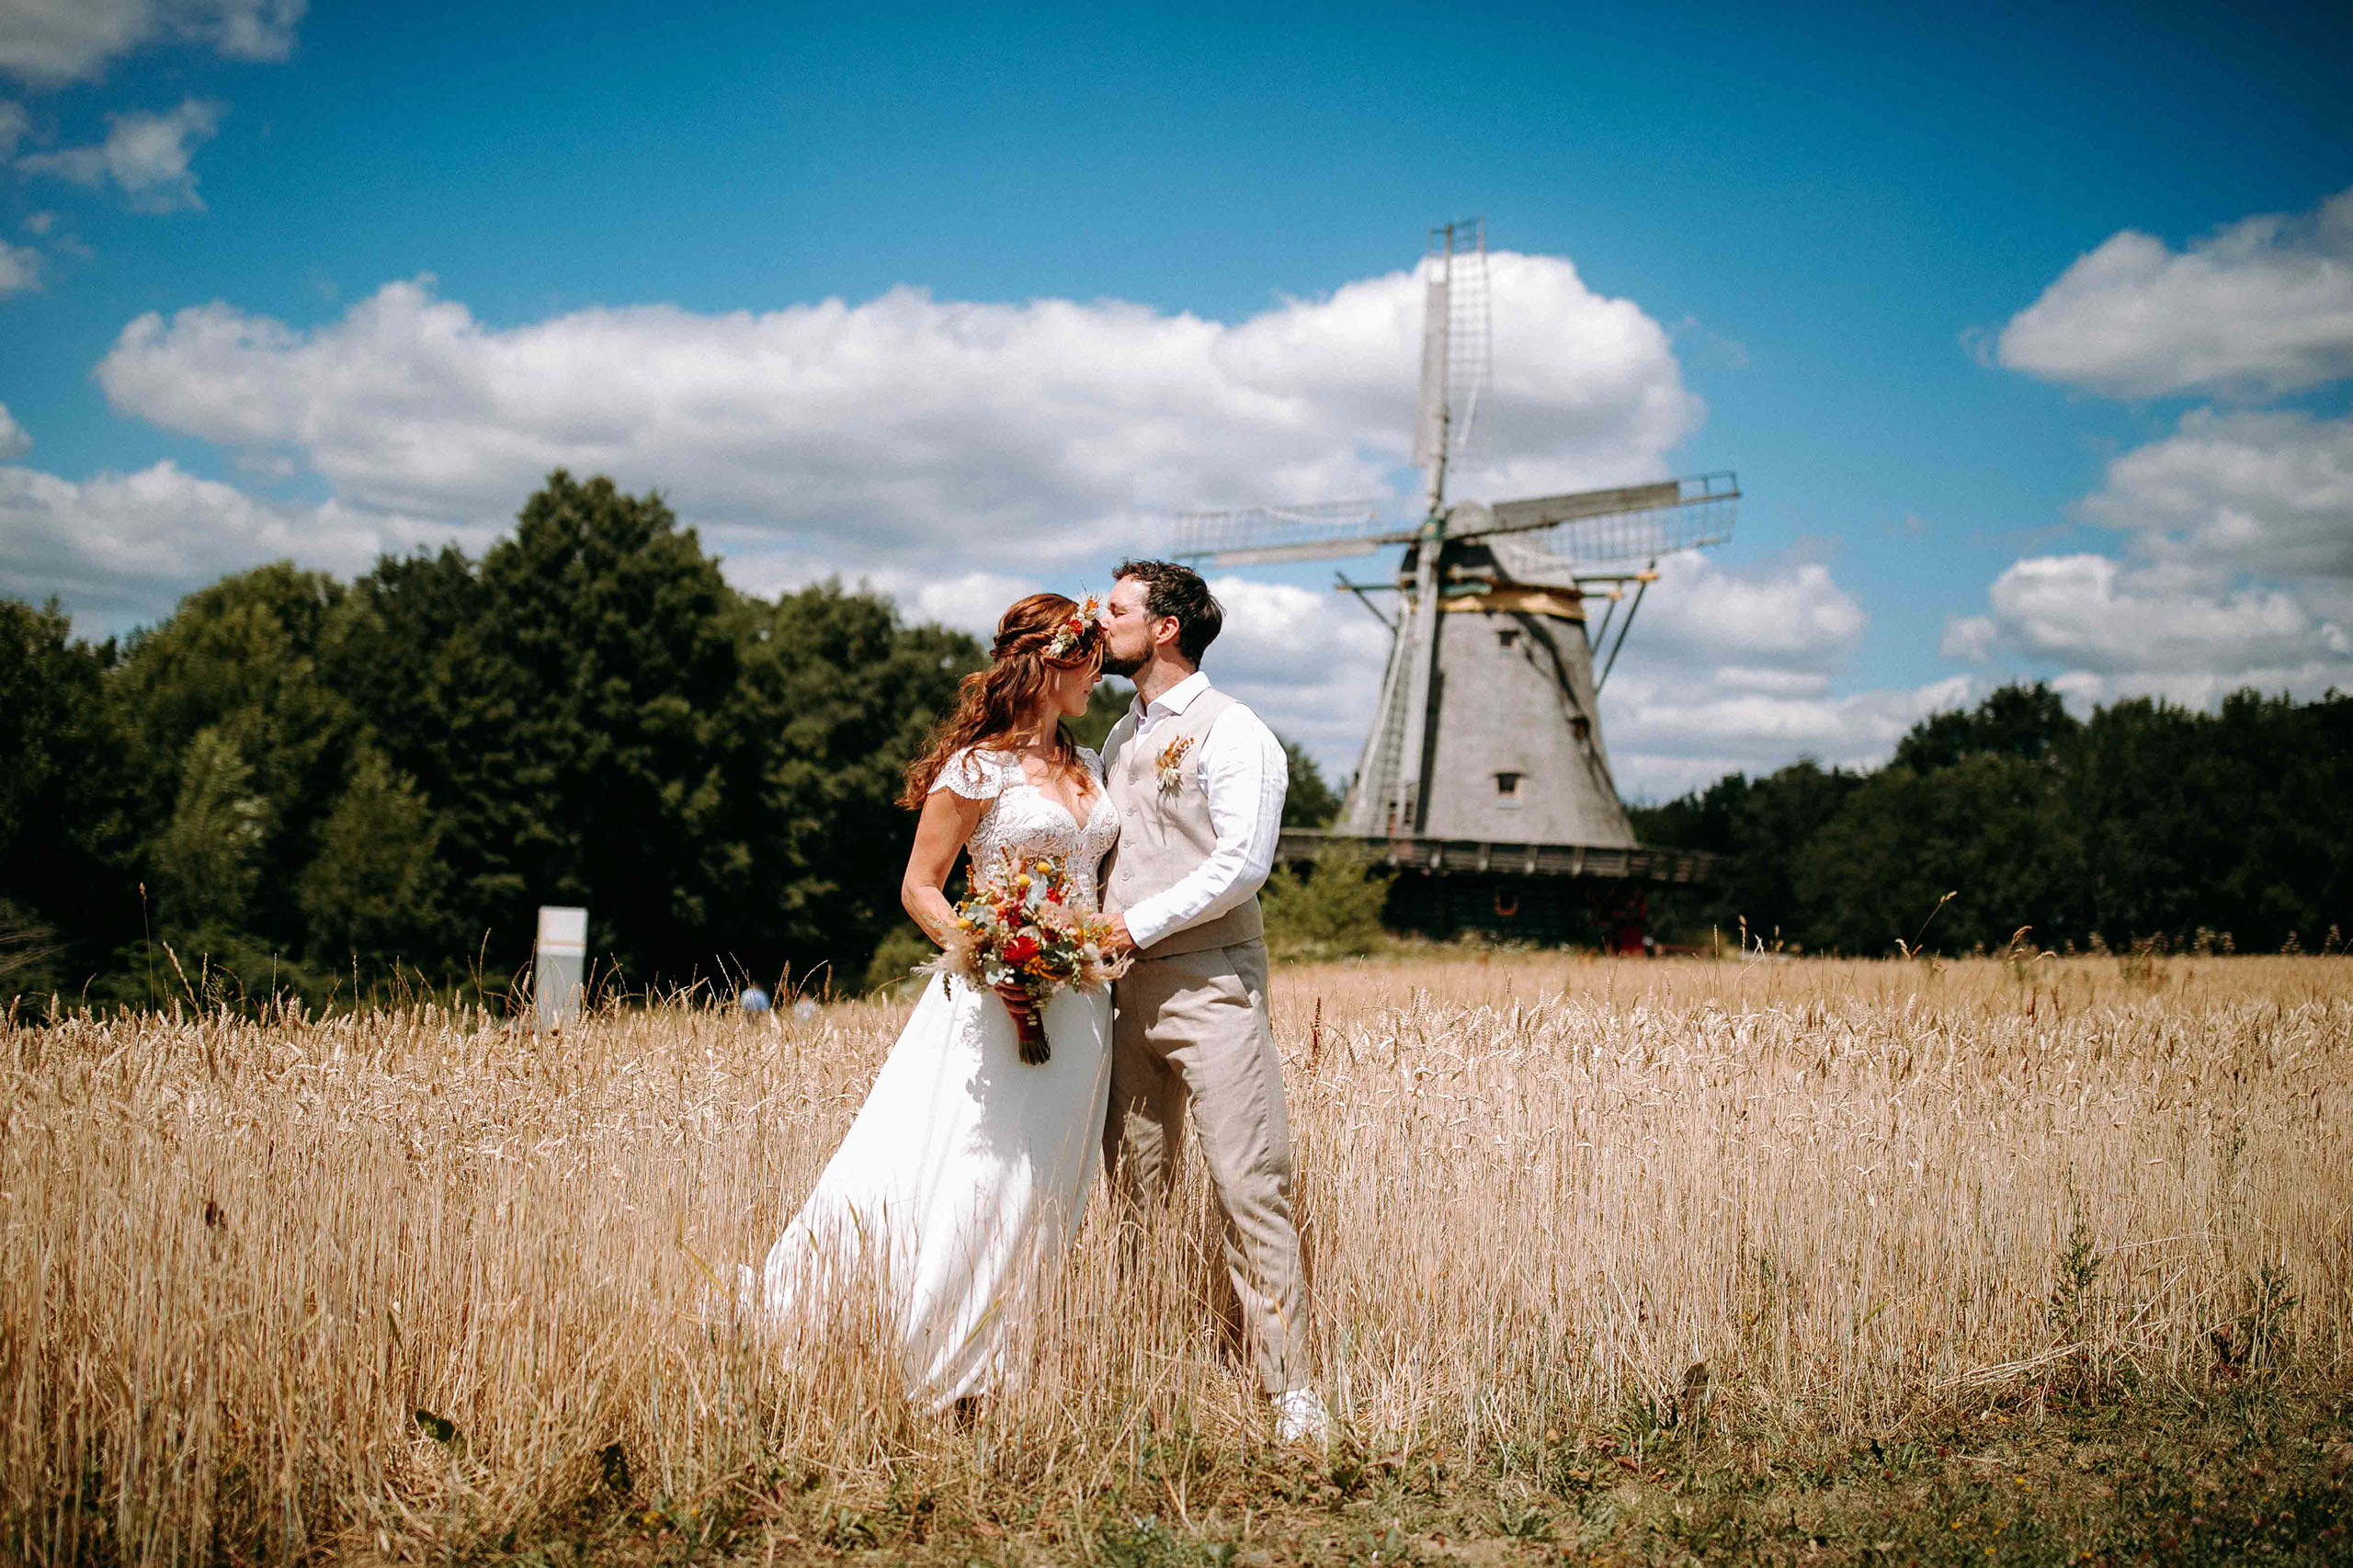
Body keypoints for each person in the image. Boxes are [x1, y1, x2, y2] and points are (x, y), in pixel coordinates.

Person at [727, 593, 1119, 1409]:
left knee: (1048, 1182)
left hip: (1083, 1005)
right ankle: (929, 1356)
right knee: (975, 1173)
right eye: (1089, 660)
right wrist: (992, 957)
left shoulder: (1091, 768)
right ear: (1053, 660)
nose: (1100, 674)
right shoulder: (978, 767)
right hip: (995, 1003)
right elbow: (920, 887)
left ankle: (1002, 1357)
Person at [1094, 559, 1330, 1446]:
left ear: (1164, 627)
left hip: (1213, 987)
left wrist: (1134, 926)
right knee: (1134, 1189)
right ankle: (1138, 1371)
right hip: (1121, 995)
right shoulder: (1119, 738)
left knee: (1247, 1182)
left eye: (1114, 608)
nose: (1097, 619)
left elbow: (1241, 866)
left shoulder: (1238, 734)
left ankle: (1288, 1391)